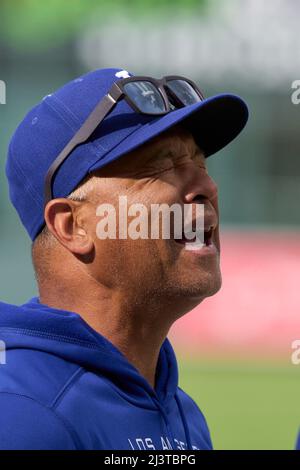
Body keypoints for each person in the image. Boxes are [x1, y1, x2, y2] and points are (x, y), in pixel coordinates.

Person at [0, 68, 248, 450]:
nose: (206, 187)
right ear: (73, 226)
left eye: (200, 164)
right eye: (162, 166)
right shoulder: (22, 416)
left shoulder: (182, 413)